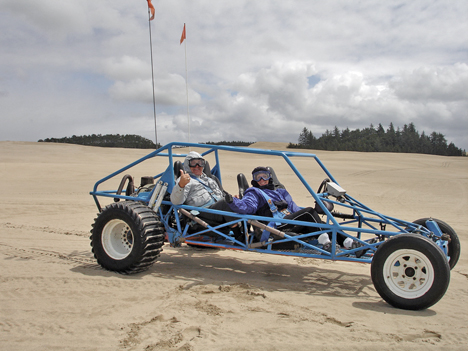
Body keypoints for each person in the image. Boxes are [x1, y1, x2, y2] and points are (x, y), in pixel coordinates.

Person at [224, 166, 343, 250]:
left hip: (287, 220)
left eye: (264, 176)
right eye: (258, 177)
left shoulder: (280, 192)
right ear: (253, 179)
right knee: (309, 212)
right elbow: (247, 207)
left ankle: (350, 243)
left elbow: (294, 209)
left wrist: (305, 219)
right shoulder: (254, 192)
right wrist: (233, 201)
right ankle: (327, 244)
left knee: (323, 224)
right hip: (274, 225)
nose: (261, 180)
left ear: (269, 177)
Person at [170, 151, 239, 229]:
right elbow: (176, 202)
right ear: (187, 164)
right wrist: (181, 185)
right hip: (202, 213)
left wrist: (234, 199)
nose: (197, 166)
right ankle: (239, 237)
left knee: (242, 201)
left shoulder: (210, 180)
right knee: (226, 203)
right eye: (193, 163)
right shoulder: (185, 180)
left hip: (217, 209)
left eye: (200, 163)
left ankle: (252, 234)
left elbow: (222, 195)